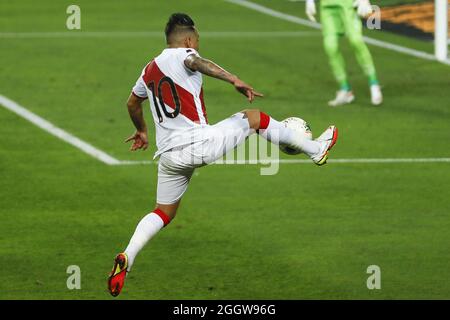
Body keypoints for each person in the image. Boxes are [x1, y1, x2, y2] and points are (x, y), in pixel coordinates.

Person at [107, 13, 338, 297]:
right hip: (197, 145)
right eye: (197, 42)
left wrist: (142, 131)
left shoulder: (148, 69)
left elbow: (132, 103)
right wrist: (234, 79)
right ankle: (316, 149)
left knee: (162, 212)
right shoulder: (185, 54)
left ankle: (127, 258)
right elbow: (197, 63)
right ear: (189, 40)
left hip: (168, 156)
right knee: (254, 118)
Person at [305, 0, 383, 106]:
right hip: (327, 6)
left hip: (348, 4)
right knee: (330, 46)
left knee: (356, 41)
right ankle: (345, 89)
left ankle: (373, 83)